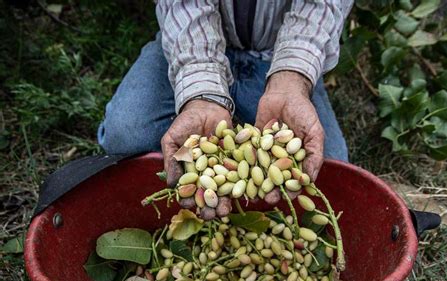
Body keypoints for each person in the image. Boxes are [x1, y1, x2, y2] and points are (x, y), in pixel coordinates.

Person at [98, 1, 353, 186]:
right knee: (127, 135)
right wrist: (201, 92)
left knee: (327, 169)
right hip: (190, 44)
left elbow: (323, 6)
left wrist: (291, 79)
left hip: (280, 56)